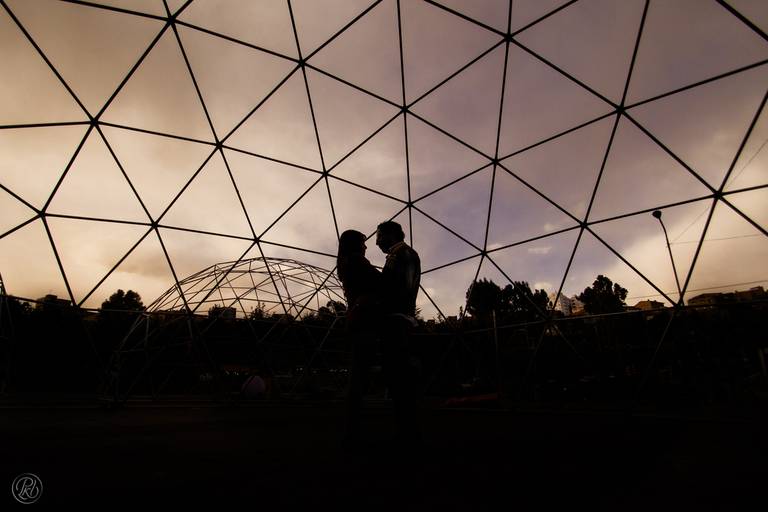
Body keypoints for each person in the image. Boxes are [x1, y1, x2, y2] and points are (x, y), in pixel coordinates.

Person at [375, 220, 423, 445]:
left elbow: (400, 289)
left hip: (397, 320)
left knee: (398, 376)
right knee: (396, 376)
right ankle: (405, 430)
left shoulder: (404, 255)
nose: (376, 242)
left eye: (379, 236)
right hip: (397, 320)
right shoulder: (402, 255)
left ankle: (406, 433)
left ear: (391, 234)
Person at [337, 229, 381, 444]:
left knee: (358, 375)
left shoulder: (345, 263)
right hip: (364, 322)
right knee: (358, 377)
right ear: (354, 245)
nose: (366, 247)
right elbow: (380, 283)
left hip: (356, 321)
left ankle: (351, 430)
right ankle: (352, 433)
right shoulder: (357, 261)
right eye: (363, 243)